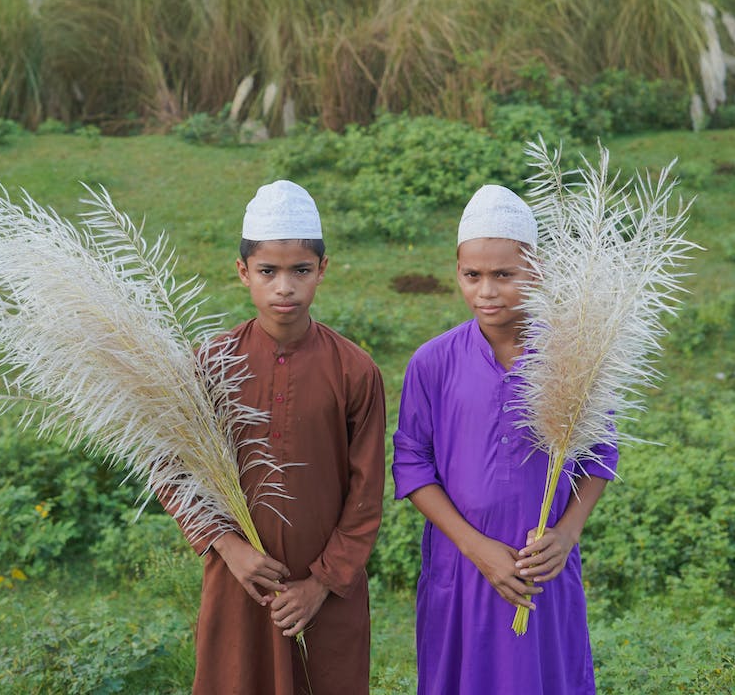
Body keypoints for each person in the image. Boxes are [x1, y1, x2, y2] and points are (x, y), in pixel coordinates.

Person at [392, 184, 617, 695]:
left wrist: (566, 534)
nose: (486, 291)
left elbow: (601, 453)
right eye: (472, 276)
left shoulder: (572, 357)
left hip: (542, 565)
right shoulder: (433, 361)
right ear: (457, 272)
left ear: (535, 272)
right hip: (461, 564)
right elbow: (411, 465)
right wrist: (477, 549)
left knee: (542, 676)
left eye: (504, 275)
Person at [167, 180, 386, 695]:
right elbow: (173, 469)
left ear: (322, 270)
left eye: (300, 271)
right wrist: (231, 549)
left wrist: (321, 584)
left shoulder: (354, 370)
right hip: (240, 580)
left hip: (328, 594)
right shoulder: (210, 365)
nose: (284, 287)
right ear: (243, 272)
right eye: (268, 271)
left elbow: (366, 490)